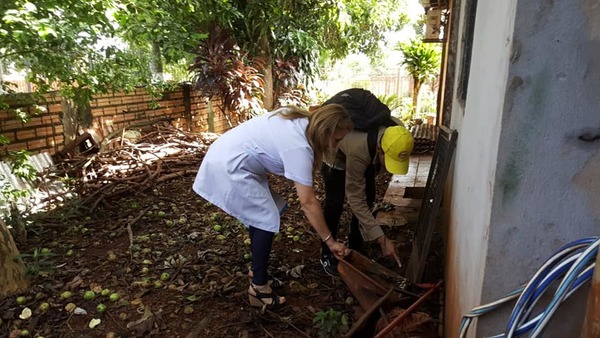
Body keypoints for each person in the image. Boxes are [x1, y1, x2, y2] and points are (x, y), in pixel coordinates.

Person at [192, 104, 353, 308]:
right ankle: (258, 289)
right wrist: (330, 242)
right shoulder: (299, 145)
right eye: (337, 140)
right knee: (266, 218)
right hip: (228, 164)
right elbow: (308, 202)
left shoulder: (301, 120)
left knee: (270, 211)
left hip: (234, 157)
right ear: (325, 130)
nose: (336, 146)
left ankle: (257, 272)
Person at [319, 90, 415, 276]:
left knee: (369, 196)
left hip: (368, 150)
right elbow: (355, 199)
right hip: (335, 154)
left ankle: (356, 244)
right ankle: (326, 253)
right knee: (335, 203)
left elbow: (364, 197)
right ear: (380, 149)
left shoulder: (397, 131)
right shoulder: (358, 150)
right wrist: (382, 239)